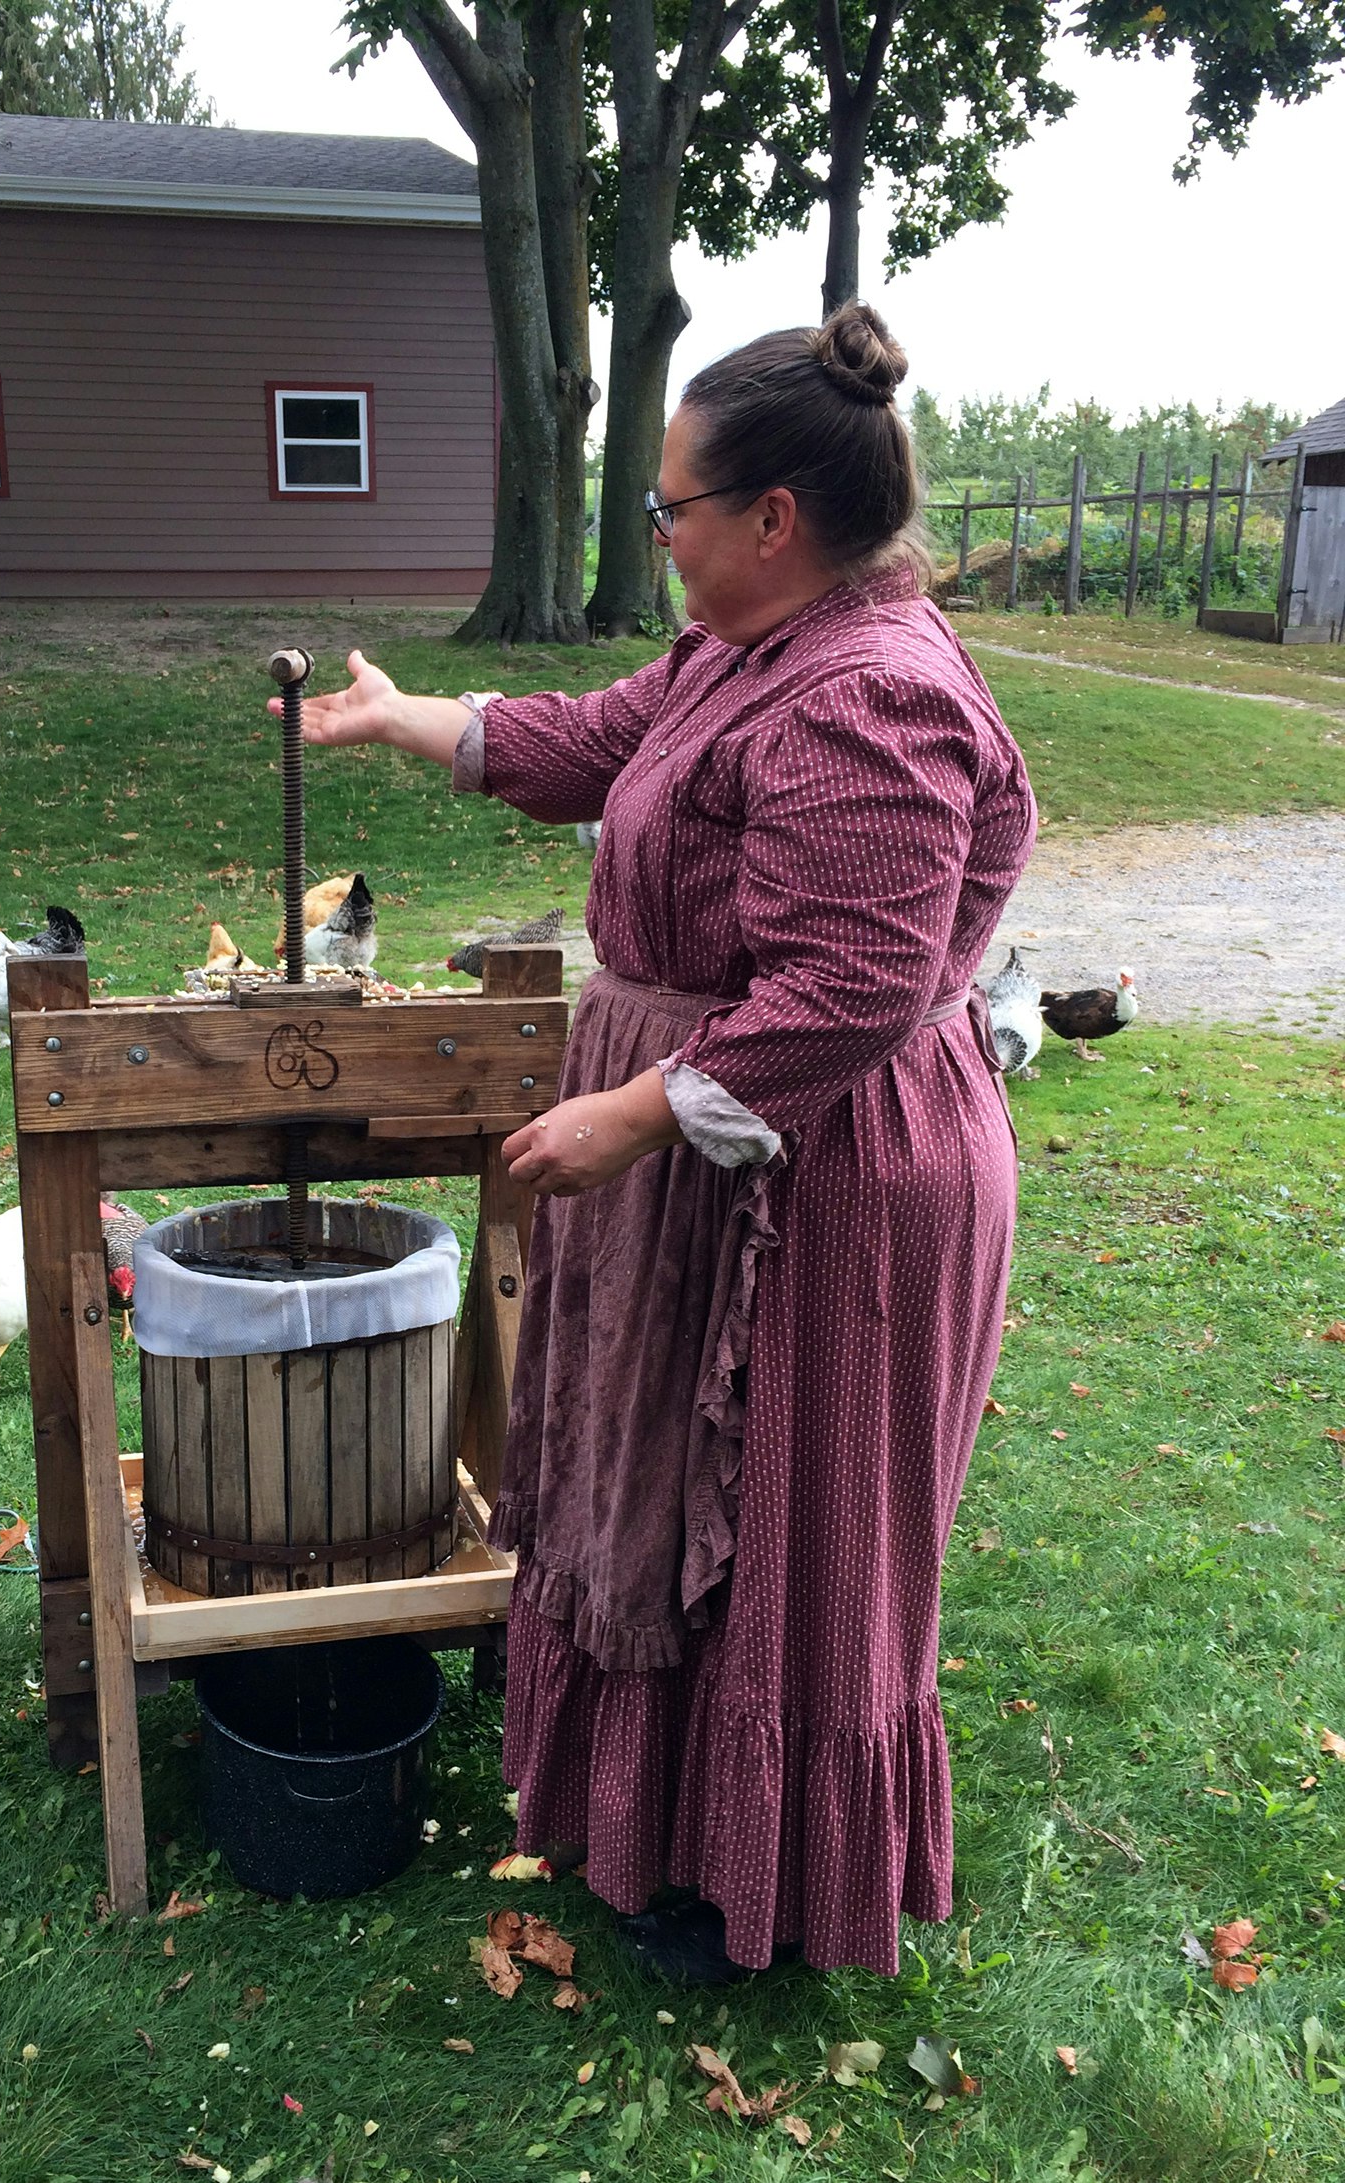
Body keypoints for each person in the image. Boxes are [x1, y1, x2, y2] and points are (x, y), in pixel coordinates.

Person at [281, 301, 1036, 1983]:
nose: (661, 537)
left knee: (781, 1520)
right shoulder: (744, 652)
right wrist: (410, 721)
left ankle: (752, 1890)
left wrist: (631, 1114)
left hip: (829, 1177)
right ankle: (667, 1831)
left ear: (773, 518)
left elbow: (855, 982)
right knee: (662, 1486)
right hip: (719, 1140)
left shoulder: (873, 696)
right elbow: (603, 741)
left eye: (674, 508)